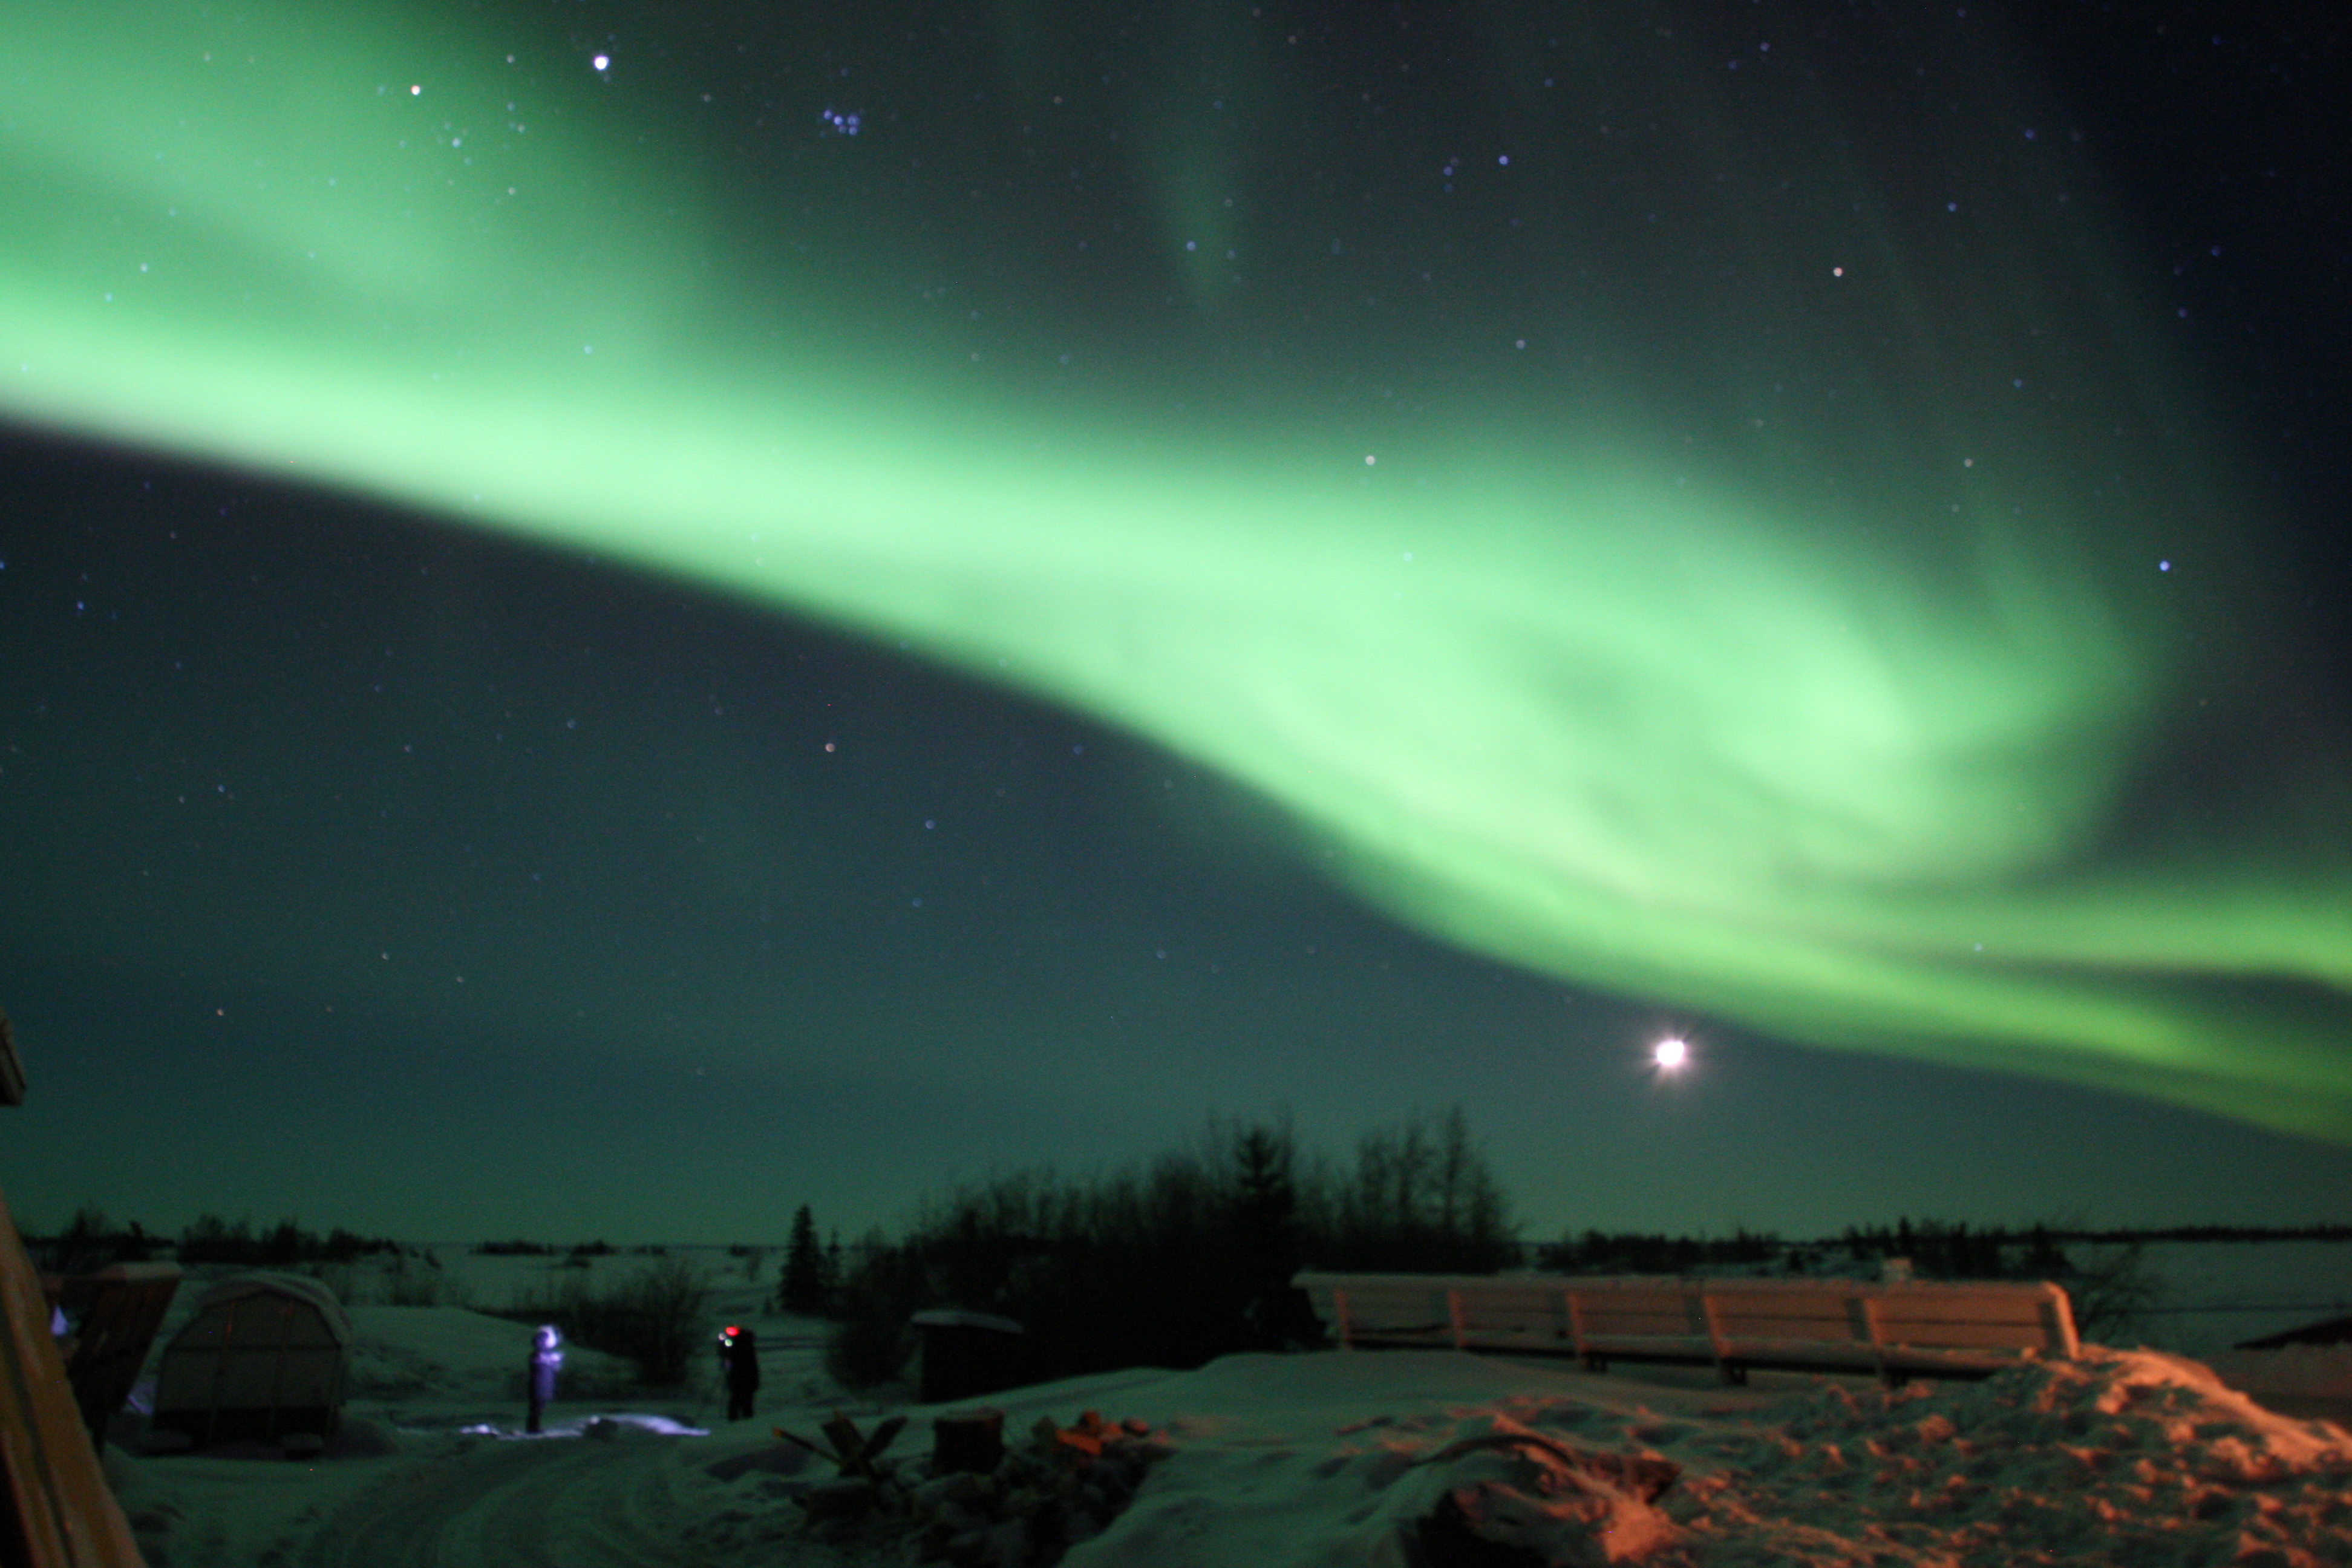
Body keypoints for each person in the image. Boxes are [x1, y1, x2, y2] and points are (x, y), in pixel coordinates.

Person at [717, 1324, 759, 1421]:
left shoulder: (741, 1346)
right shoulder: (745, 1345)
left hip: (741, 1376)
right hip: (744, 1377)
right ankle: (744, 1418)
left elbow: (729, 1357)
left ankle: (737, 1419)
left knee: (739, 1400)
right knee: (743, 1400)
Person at [526, 1324, 563, 1434]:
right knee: (537, 1406)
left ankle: (534, 1427)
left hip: (543, 1383)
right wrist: (552, 1360)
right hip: (541, 1383)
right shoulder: (540, 1354)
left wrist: (554, 1361)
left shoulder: (544, 1354)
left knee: (539, 1406)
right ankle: (533, 1428)